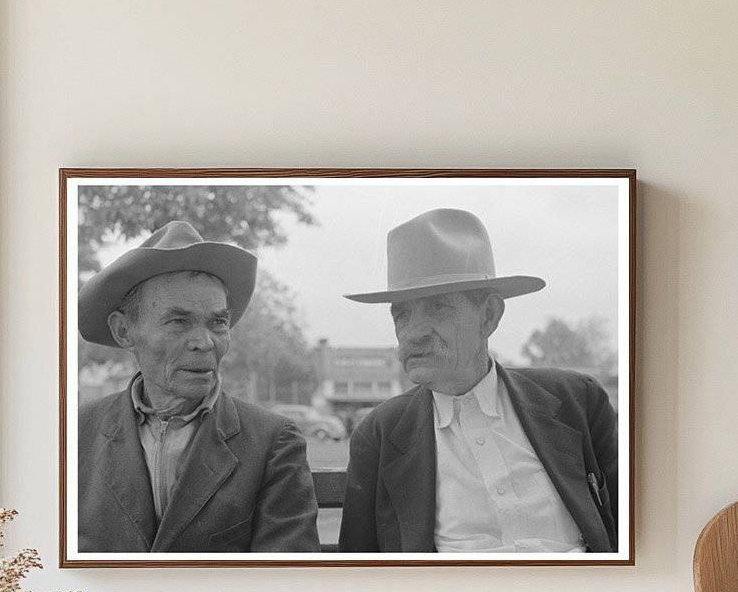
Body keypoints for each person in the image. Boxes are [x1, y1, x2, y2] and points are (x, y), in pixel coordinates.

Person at [338, 208, 618, 554]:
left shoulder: (577, 401)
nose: (412, 333)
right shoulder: (381, 432)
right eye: (402, 314)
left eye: (437, 308)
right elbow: (360, 565)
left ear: (488, 316)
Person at [77, 220, 320, 553]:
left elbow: (286, 581)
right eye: (179, 322)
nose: (204, 343)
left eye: (218, 323)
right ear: (124, 332)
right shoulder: (77, 434)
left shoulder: (272, 442)